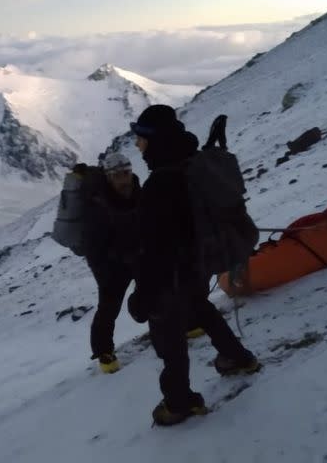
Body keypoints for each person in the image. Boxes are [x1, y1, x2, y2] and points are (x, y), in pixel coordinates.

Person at [127, 104, 259, 426]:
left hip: (171, 274)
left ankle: (178, 402)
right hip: (198, 264)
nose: (137, 145)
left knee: (168, 338)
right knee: (200, 308)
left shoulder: (160, 184)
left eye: (141, 138)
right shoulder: (190, 164)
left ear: (154, 140)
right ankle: (239, 358)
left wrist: (142, 295)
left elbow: (153, 248)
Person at [83, 152, 142, 373]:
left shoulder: (137, 191)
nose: (123, 178)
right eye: (117, 175)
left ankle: (175, 327)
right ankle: (104, 353)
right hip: (110, 266)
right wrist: (106, 269)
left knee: (159, 292)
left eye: (126, 173)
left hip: (137, 255)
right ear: (109, 177)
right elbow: (93, 246)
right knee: (108, 308)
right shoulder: (98, 205)